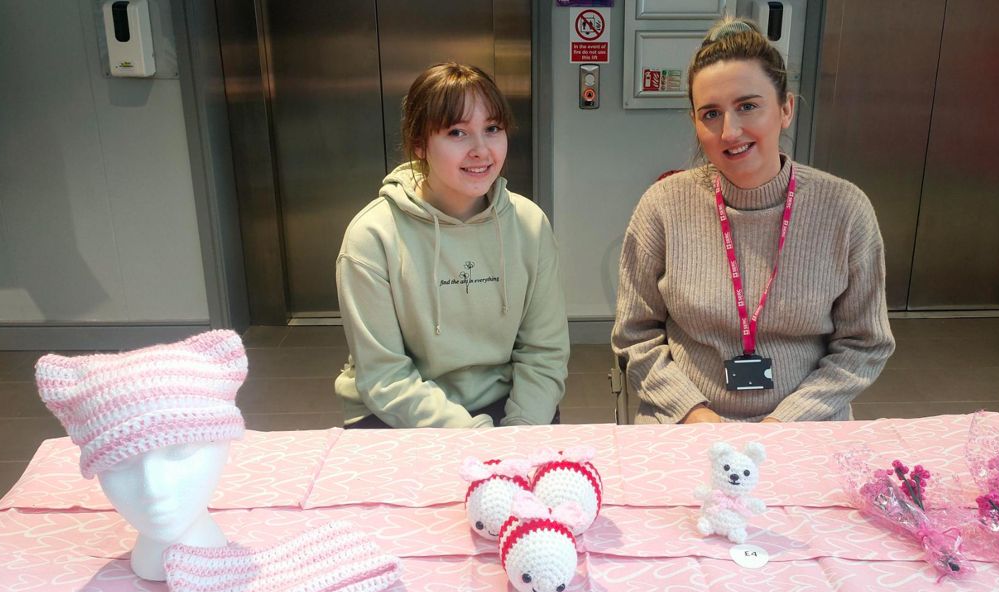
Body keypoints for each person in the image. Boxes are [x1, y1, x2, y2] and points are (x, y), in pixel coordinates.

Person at [612, 19, 894, 424]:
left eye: (748, 106)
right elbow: (634, 336)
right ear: (695, 122)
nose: (730, 131)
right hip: (684, 425)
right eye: (711, 113)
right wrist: (695, 415)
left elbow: (865, 344)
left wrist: (786, 422)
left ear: (786, 109)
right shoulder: (663, 206)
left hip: (806, 428)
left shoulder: (845, 209)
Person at [336, 63, 569, 429]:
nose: (481, 150)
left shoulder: (529, 224)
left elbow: (544, 352)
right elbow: (385, 376)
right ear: (419, 145)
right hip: (396, 412)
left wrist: (520, 431)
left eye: (492, 129)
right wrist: (473, 440)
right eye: (457, 132)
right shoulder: (372, 236)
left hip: (505, 405)